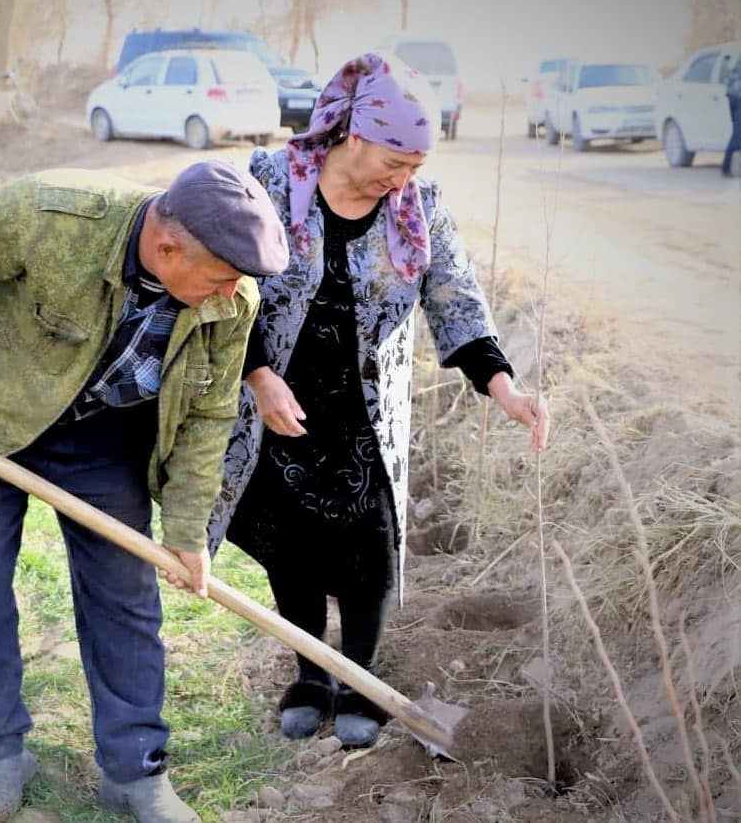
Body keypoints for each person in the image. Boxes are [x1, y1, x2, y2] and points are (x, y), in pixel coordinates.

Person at [0, 161, 289, 823]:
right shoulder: (52, 215)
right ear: (166, 248)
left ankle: (133, 772)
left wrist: (187, 534)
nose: (229, 293)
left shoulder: (231, 301)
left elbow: (210, 417)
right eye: (218, 278)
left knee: (125, 597)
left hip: (105, 438)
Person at [207, 53, 551, 750]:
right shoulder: (271, 181)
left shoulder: (418, 208)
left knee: (366, 554)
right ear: (353, 134)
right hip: (275, 399)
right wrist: (257, 374)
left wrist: (502, 385)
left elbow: (454, 297)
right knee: (292, 549)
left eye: (416, 164)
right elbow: (221, 285)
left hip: (364, 414)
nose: (404, 178)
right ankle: (311, 675)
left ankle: (360, 680)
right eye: (395, 159)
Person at [722, 54, 741, 177]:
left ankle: (728, 167)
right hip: (738, 98)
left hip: (733, 97)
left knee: (737, 133)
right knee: (737, 135)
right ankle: (726, 167)